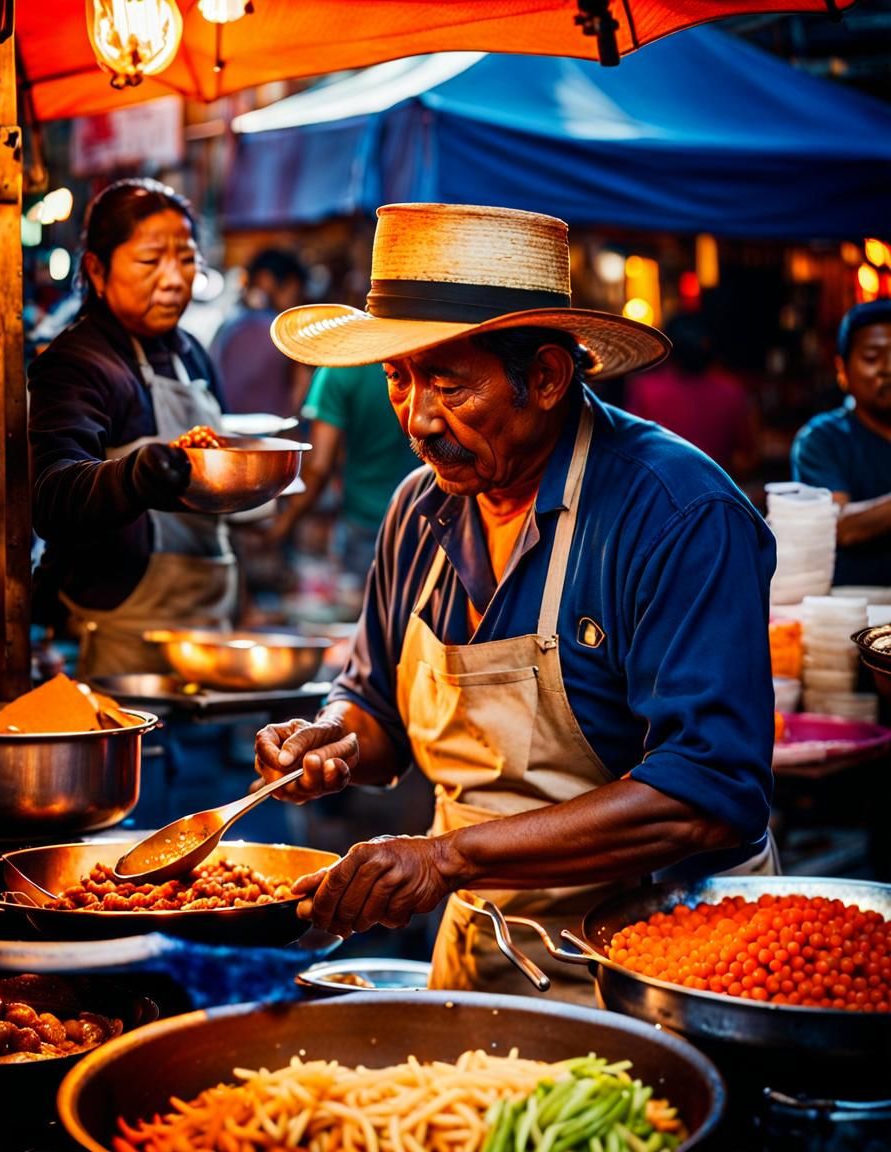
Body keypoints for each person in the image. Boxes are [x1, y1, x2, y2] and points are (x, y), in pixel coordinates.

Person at [254, 203, 778, 1000]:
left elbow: (708, 793)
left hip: (666, 968)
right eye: (399, 379)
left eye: (450, 385)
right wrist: (329, 742)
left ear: (544, 377)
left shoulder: (677, 513)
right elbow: (375, 709)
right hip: (480, 954)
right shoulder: (417, 510)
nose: (419, 419)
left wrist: (447, 857)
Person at [28, 177, 237, 677]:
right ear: (98, 270)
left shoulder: (193, 354)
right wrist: (135, 476)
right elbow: (51, 498)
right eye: (150, 261)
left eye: (186, 259)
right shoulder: (77, 363)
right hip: (111, 636)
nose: (173, 279)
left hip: (206, 626)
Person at [258, 362, 419, 585]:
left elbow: (319, 467)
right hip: (427, 516)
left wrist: (283, 524)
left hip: (365, 523)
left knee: (369, 611)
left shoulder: (339, 371)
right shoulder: (417, 359)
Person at [791, 298, 891, 587]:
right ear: (842, 370)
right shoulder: (821, 438)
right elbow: (837, 525)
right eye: (872, 357)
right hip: (854, 609)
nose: (887, 369)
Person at [624, 312, 759, 480]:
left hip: (660, 494)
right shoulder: (732, 391)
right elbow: (749, 455)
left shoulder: (645, 389)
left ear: (667, 349)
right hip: (716, 494)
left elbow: (631, 451)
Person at [210, 248, 310, 417]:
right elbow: (298, 396)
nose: (298, 302)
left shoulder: (229, 324)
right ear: (267, 280)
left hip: (225, 431)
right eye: (296, 291)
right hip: (269, 437)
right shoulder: (277, 331)